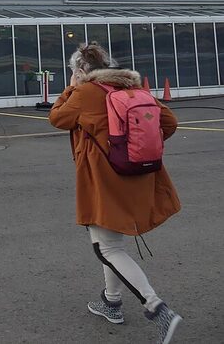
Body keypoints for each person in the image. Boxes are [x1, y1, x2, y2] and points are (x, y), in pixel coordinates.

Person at [48, 42, 182, 344]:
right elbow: (169, 123)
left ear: (80, 71)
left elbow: (57, 118)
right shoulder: (132, 87)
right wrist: (137, 148)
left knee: (106, 249)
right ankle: (111, 302)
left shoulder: (84, 92)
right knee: (112, 244)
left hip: (104, 181)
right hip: (138, 175)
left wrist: (70, 88)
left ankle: (156, 307)